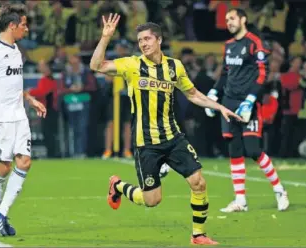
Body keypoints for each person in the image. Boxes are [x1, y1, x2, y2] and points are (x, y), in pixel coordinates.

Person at [90, 13, 243, 245]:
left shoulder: (174, 67)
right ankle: (118, 185)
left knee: (198, 182)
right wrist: (105, 38)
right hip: (146, 142)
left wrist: (219, 106)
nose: (143, 43)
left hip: (173, 138)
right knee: (152, 200)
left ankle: (198, 235)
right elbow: (96, 65)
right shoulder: (132, 64)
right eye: (140, 40)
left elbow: (192, 94)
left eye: (147, 39)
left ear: (159, 40)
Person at [0, 3, 46, 236]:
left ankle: (2, 213)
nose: (27, 29)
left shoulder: (16, 51)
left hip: (19, 117)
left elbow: (12, 83)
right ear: (12, 25)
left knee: (24, 162)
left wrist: (30, 99)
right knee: (4, 167)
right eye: (23, 25)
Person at [205, 8, 289, 212]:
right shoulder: (228, 45)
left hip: (248, 104)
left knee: (253, 150)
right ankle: (240, 200)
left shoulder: (255, 43)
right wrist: (213, 95)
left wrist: (251, 99)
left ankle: (279, 190)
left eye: (232, 18)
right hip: (228, 102)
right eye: (226, 20)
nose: (229, 22)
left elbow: (262, 74)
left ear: (243, 19)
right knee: (234, 150)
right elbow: (225, 73)